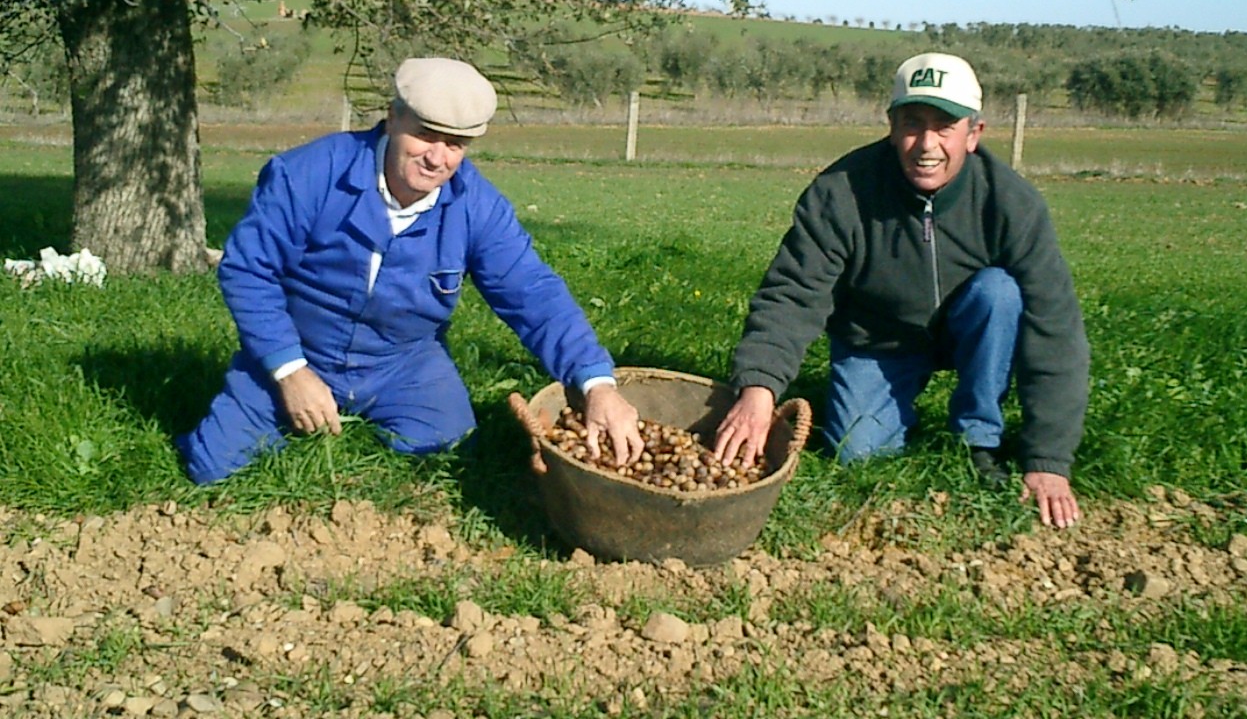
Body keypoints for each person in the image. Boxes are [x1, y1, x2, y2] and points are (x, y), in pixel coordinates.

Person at [178, 57, 643, 484]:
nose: (438, 158)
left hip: (402, 362)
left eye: (456, 144)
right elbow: (247, 270)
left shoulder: (476, 207)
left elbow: (534, 294)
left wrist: (595, 382)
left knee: (452, 458)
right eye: (426, 134)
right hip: (302, 348)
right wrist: (289, 370)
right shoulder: (306, 175)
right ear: (393, 116)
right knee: (213, 468)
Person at [713, 53, 1088, 529]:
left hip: (966, 328)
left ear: (974, 135)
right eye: (912, 124)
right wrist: (759, 388)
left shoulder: (1011, 203)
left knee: (1001, 293)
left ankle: (978, 439)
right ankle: (889, 401)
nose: (926, 144)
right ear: (891, 126)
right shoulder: (840, 191)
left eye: (944, 127)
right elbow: (794, 293)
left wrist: (1049, 461)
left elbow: (1055, 328)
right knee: (858, 453)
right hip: (876, 339)